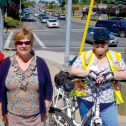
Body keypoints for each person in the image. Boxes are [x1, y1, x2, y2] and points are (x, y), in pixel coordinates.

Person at [70, 30, 126, 126]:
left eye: (103, 43)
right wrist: (89, 73)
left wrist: (111, 75)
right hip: (87, 99)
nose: (100, 45)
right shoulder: (86, 55)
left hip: (107, 101)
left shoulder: (115, 56)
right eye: (97, 42)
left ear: (108, 43)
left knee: (112, 124)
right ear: (93, 43)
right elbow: (73, 70)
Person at [0, 26, 53, 126]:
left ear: (31, 44)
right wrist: (1, 111)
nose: (23, 46)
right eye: (20, 43)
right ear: (15, 45)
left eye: (27, 42)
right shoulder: (6, 63)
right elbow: (0, 89)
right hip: (13, 118)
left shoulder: (40, 63)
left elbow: (49, 87)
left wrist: (46, 108)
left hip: (37, 118)